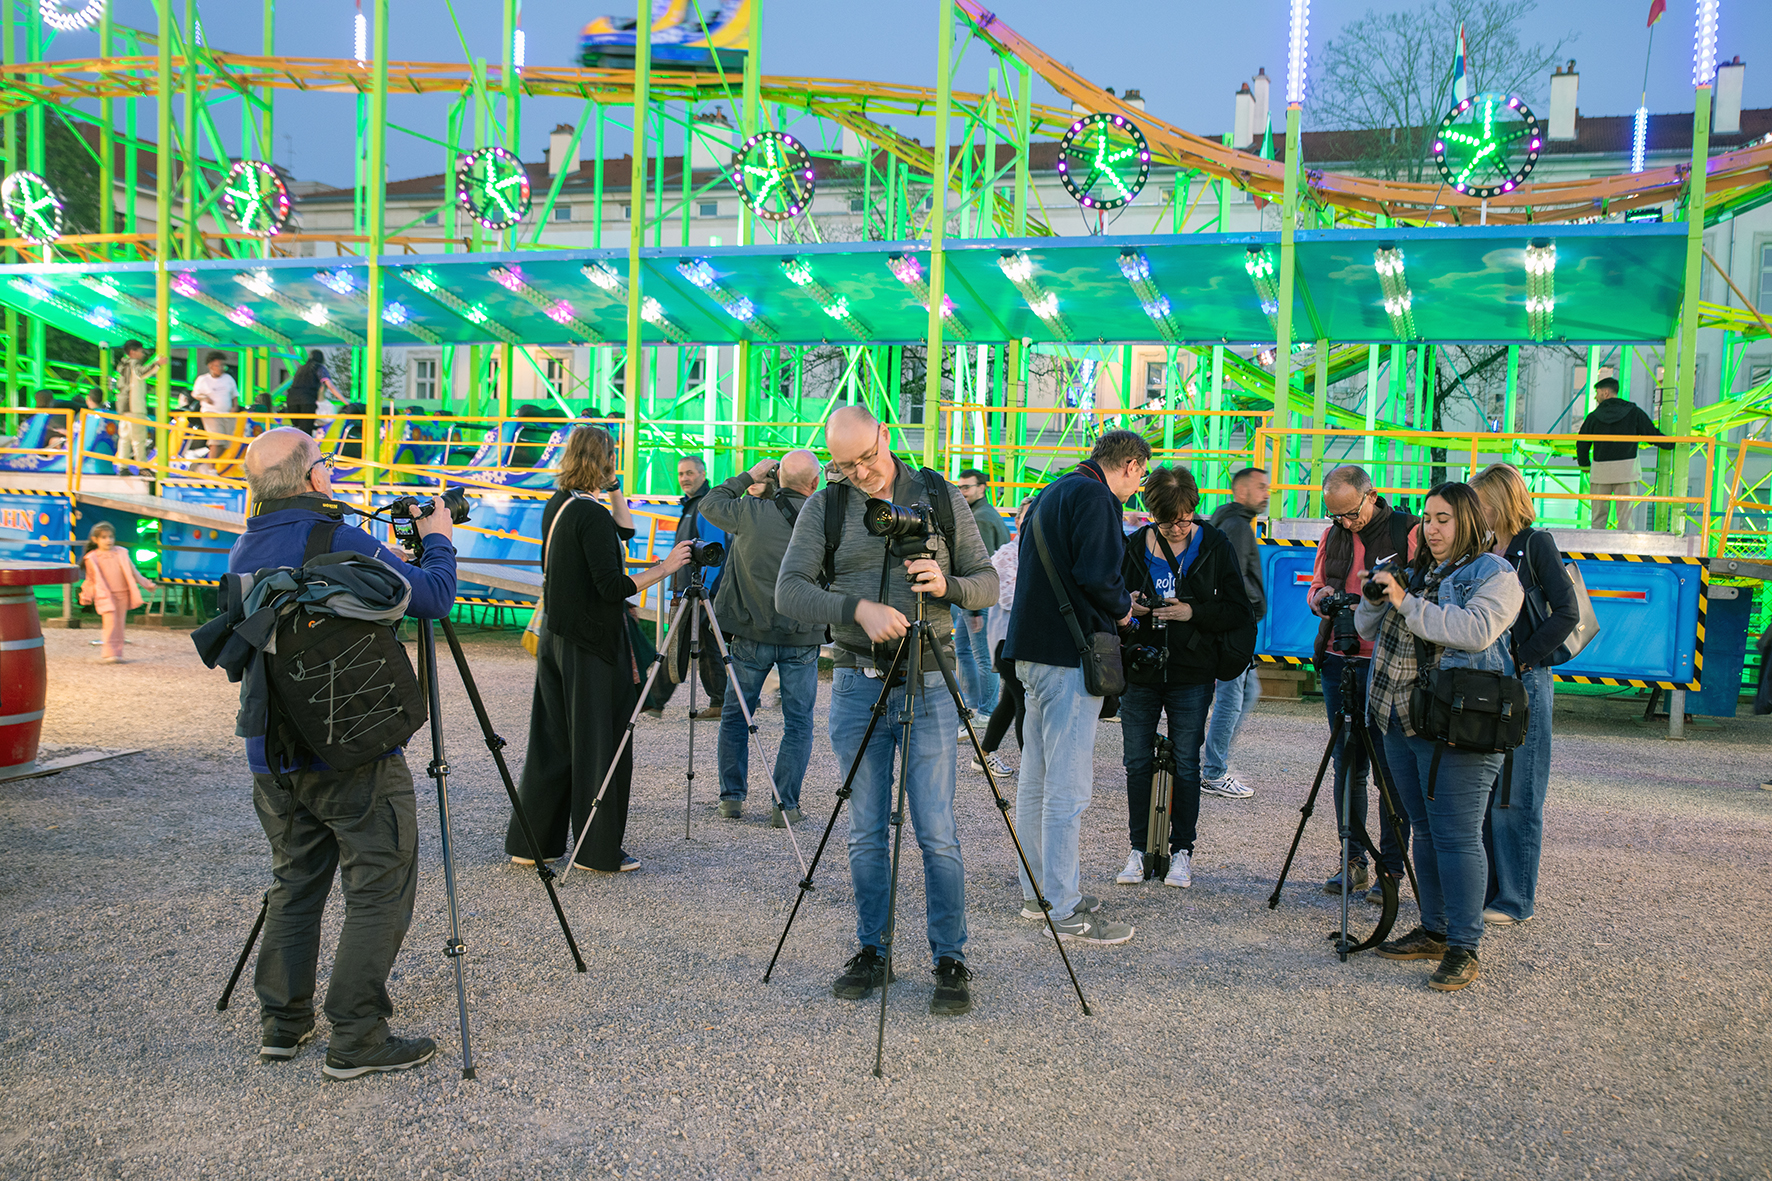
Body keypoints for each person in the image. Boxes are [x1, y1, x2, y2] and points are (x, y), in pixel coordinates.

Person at [229, 427, 458, 1078]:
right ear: (310, 478)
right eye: (326, 463)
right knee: (380, 883)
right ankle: (356, 1032)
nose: (333, 472)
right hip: (347, 744)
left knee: (295, 881)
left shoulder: (244, 544)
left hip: (270, 746)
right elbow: (431, 597)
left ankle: (283, 1022)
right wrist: (438, 538)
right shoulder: (332, 536)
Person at [775, 406, 997, 1016]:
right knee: (866, 829)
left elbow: (987, 581)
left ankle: (949, 957)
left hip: (929, 678)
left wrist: (947, 586)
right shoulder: (828, 505)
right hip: (856, 680)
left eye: (867, 459)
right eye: (843, 466)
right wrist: (855, 610)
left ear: (885, 436)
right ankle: (872, 949)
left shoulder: (941, 496)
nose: (861, 474)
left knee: (937, 830)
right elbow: (789, 591)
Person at [1359, 482, 1524, 992]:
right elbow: (1368, 627)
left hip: (1458, 724)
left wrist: (1405, 600)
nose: (1431, 528)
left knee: (1456, 835)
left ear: (1470, 522)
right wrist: (1376, 593)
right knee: (1425, 830)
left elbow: (1473, 632)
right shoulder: (1419, 573)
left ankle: (1464, 946)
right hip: (1398, 717)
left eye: (1444, 519)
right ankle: (1434, 929)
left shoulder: (1495, 574)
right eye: (1427, 518)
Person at [507, 427, 691, 874]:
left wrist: (614, 490)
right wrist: (665, 569)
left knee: (552, 743)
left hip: (558, 638)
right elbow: (613, 586)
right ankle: (597, 850)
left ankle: (533, 844)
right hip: (591, 646)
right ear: (605, 458)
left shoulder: (562, 505)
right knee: (600, 747)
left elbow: (623, 530)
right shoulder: (588, 516)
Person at [1004, 429, 1149, 946]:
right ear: (1131, 464)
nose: (1138, 486)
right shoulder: (1096, 496)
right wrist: (1125, 608)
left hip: (1031, 648)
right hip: (1068, 654)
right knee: (1067, 786)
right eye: (1141, 475)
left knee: (1036, 780)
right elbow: (1098, 574)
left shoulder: (1058, 489)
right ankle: (1062, 907)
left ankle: (1037, 892)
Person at [1113, 466, 1255, 891]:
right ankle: (1139, 848)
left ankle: (1182, 851)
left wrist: (1192, 611)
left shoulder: (1215, 544)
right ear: (1151, 511)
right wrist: (1130, 607)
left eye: (1186, 517)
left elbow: (1237, 610)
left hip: (1193, 670)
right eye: (1169, 519)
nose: (1178, 527)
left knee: (1188, 763)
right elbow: (1111, 602)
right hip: (1140, 667)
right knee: (1136, 761)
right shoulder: (1134, 546)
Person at [1470, 462, 1579, 926]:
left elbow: (1567, 611)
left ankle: (1515, 900)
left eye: (1479, 501)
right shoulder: (1485, 547)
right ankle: (1490, 890)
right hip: (1491, 679)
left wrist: (1525, 658)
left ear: (1498, 502)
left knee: (1519, 789)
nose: (1473, 510)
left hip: (1525, 680)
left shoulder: (1536, 543)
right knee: (1488, 786)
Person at [1308, 464, 1417, 903]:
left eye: (1351, 514)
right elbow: (1316, 586)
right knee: (1347, 764)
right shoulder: (1332, 534)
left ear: (1371, 495)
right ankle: (1351, 860)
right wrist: (1322, 601)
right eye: (1336, 516)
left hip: (1387, 662)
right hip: (1339, 656)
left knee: (1392, 769)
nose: (1345, 524)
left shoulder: (1406, 531)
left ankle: (1390, 867)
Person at [699, 450, 824, 826]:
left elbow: (710, 503)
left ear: (776, 477)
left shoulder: (749, 513)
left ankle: (731, 799)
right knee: (798, 722)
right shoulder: (822, 519)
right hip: (802, 633)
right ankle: (785, 806)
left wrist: (748, 477)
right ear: (815, 484)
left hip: (750, 632)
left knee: (737, 716)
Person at [641, 455, 728, 721]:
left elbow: (715, 551)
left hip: (698, 589)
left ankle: (653, 701)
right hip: (693, 587)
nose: (684, 479)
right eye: (681, 474)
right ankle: (719, 701)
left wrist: (706, 593)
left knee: (676, 644)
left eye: (690, 473)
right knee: (709, 644)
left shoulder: (704, 506)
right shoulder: (694, 505)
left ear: (703, 474)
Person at [1201, 466, 1269, 799]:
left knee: (1246, 692)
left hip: (1229, 624)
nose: (1267, 493)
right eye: (1261, 487)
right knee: (1232, 697)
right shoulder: (1238, 527)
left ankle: (1214, 762)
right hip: (1236, 625)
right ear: (1241, 492)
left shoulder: (1223, 520)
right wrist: (1250, 613)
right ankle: (1214, 771)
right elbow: (1237, 580)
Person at [973, 496, 1036, 778]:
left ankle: (983, 755)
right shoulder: (1008, 554)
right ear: (1019, 520)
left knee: (1010, 700)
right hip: (1007, 641)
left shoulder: (1035, 553)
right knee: (1022, 699)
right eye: (1026, 515)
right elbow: (1009, 598)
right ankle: (1033, 767)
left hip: (1024, 640)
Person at [1577, 376, 1674, 530]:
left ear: (1606, 393)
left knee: (1598, 518)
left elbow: (1582, 442)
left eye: (1598, 393)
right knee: (1625, 518)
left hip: (1600, 472)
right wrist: (1672, 443)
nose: (1596, 396)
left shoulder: (1593, 417)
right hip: (1627, 470)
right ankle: (1623, 550)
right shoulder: (1634, 412)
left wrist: (1584, 465)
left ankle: (1595, 549)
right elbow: (1651, 434)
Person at [953, 468, 1010, 723]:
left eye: (967, 487)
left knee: (982, 656)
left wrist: (975, 609)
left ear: (982, 488)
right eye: (960, 487)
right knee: (963, 649)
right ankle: (976, 704)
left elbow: (978, 566)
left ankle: (986, 711)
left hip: (978, 600)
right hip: (978, 599)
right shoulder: (986, 514)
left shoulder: (980, 519)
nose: (962, 492)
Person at [78, 522, 155, 663]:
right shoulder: (92, 558)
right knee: (110, 623)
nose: (109, 540)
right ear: (95, 540)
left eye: (111, 537)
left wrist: (146, 584)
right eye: (104, 537)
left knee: (119, 624)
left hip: (122, 594)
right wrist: (86, 595)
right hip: (105, 595)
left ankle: (117, 653)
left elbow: (134, 572)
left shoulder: (121, 552)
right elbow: (90, 580)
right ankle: (108, 653)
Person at [115, 340, 159, 464]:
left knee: (124, 438)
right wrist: (158, 364)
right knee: (139, 439)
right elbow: (141, 373)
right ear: (133, 352)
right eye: (141, 351)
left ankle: (122, 466)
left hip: (124, 407)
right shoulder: (134, 363)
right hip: (135, 407)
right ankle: (142, 467)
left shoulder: (122, 365)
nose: (143, 354)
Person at [192, 351, 239, 444]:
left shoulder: (228, 378)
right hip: (210, 413)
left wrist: (234, 407)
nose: (221, 368)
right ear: (211, 366)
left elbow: (234, 395)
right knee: (216, 441)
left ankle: (218, 458)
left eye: (223, 366)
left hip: (227, 414)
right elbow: (195, 394)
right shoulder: (203, 379)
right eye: (218, 366)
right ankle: (212, 458)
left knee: (228, 442)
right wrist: (205, 398)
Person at [284, 350, 340, 422]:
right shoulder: (319, 368)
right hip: (307, 399)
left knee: (296, 427)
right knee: (306, 427)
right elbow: (331, 387)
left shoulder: (301, 368)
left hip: (291, 399)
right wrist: (347, 403)